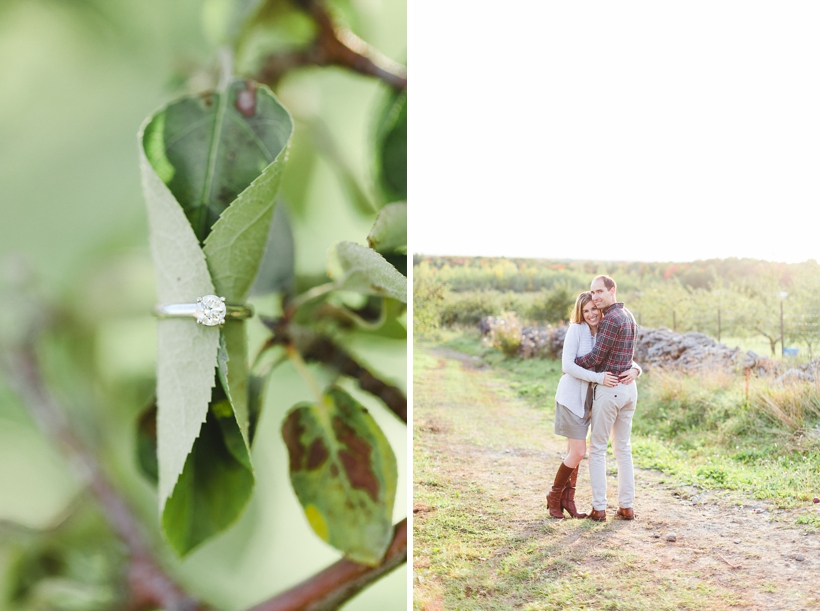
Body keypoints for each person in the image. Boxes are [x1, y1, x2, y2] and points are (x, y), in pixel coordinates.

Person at [546, 291, 641, 519]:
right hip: (572, 398)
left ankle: (568, 500)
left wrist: (636, 369)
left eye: (593, 309)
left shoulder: (604, 330)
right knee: (578, 452)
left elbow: (620, 356)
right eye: (585, 311)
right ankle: (554, 496)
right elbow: (568, 366)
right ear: (581, 313)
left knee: (576, 453)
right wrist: (599, 378)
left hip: (590, 401)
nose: (590, 314)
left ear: (600, 309)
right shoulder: (576, 330)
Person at [575, 275, 639, 522]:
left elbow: (595, 359)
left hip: (611, 388)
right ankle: (626, 506)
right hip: (628, 390)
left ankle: (599, 508)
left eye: (600, 291)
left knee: (598, 448)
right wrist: (636, 369)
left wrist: (572, 364)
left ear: (613, 290)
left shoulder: (609, 320)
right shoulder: (629, 316)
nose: (595, 297)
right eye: (592, 292)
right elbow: (628, 355)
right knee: (623, 448)